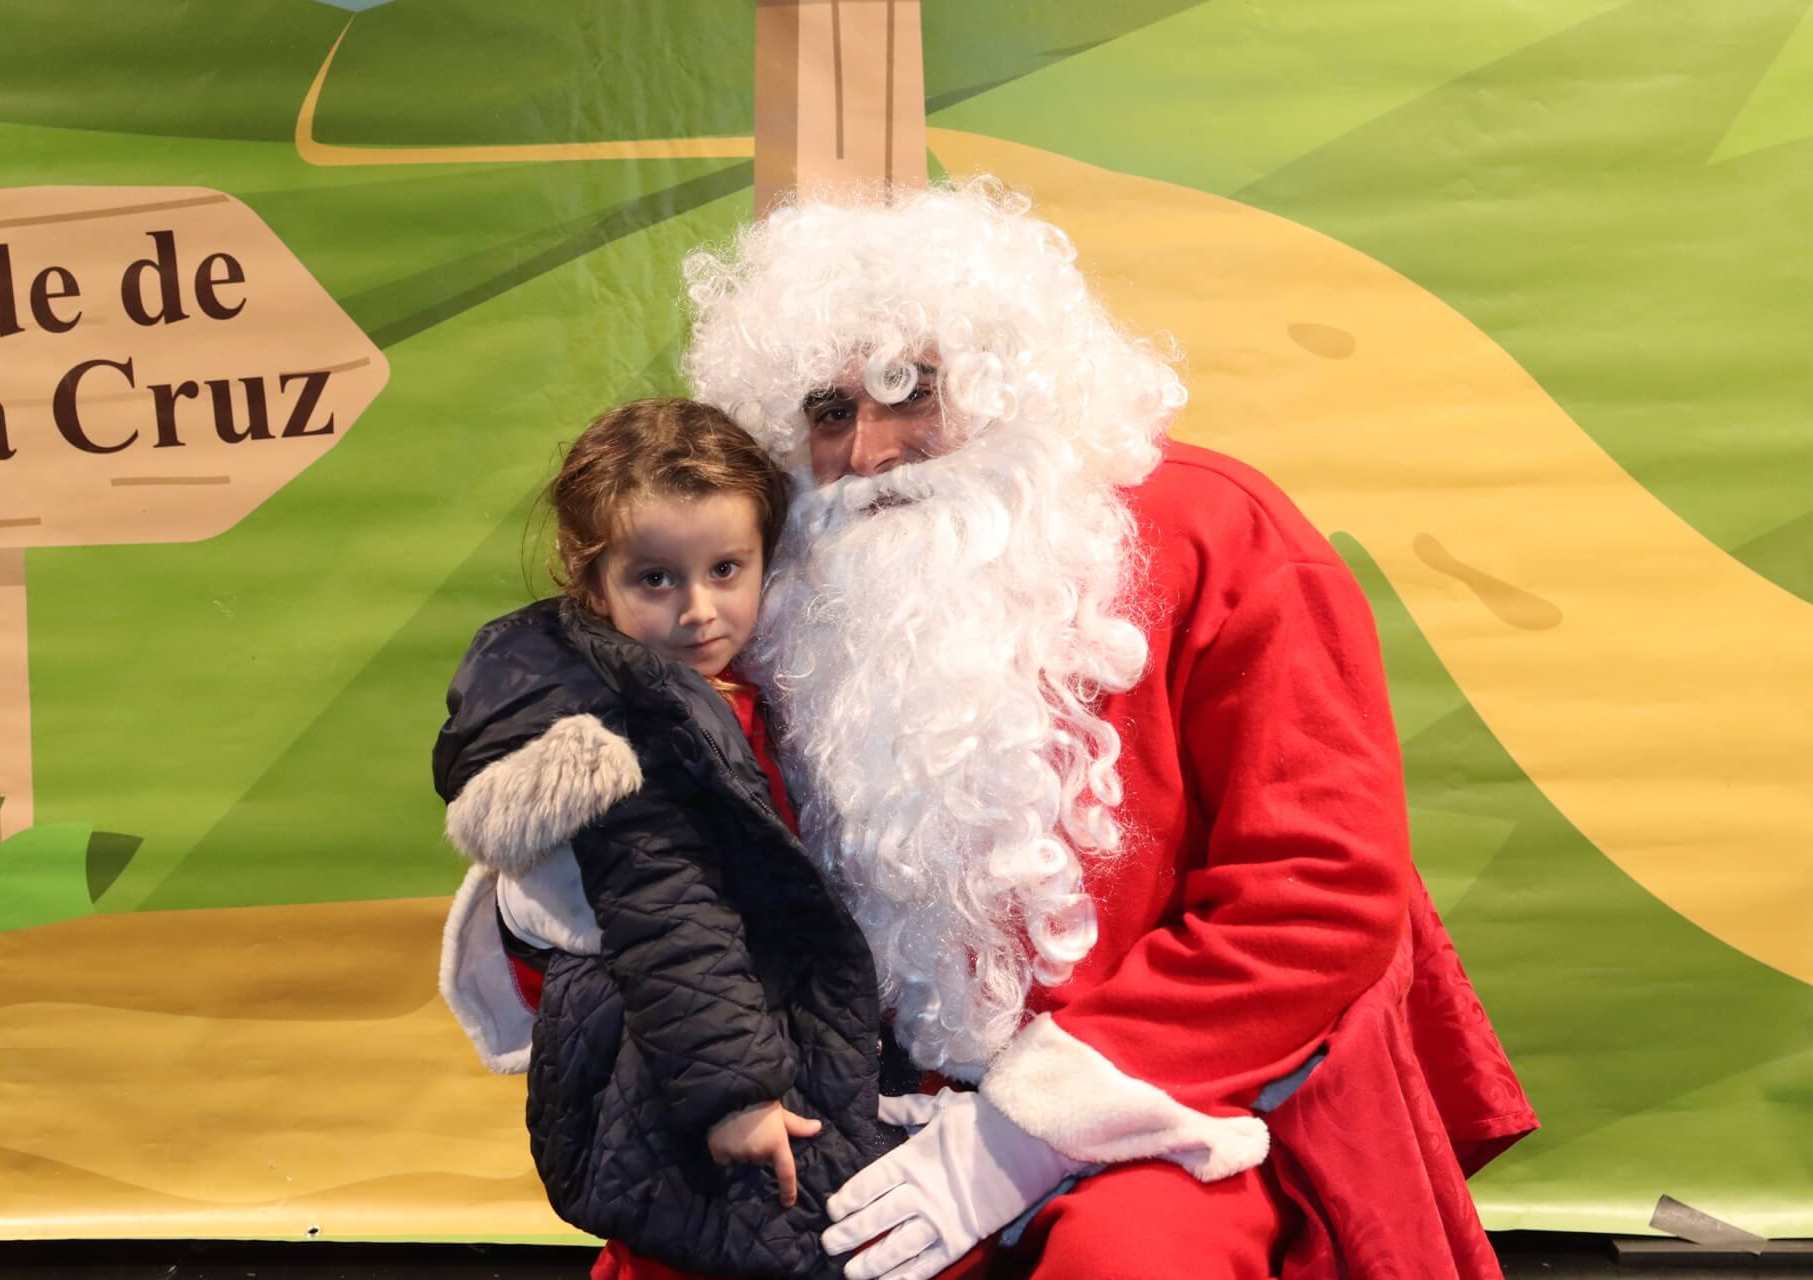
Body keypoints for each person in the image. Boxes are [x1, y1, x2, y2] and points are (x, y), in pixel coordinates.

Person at [653, 179, 1538, 1280]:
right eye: (830, 413)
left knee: (1133, 1262)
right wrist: (551, 883)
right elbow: (683, 887)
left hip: (1180, 1105)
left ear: (1006, 377)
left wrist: (1021, 1137)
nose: (870, 452)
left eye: (908, 391)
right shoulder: (776, 593)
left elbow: (1318, 887)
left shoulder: (1220, 533)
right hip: (864, 1103)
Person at [431, 398, 899, 1278]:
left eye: (726, 569)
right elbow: (669, 913)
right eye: (655, 579)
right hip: (671, 1051)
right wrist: (735, 1096)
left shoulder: (702, 687)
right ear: (590, 579)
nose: (698, 611)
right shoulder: (629, 730)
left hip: (710, 1027)